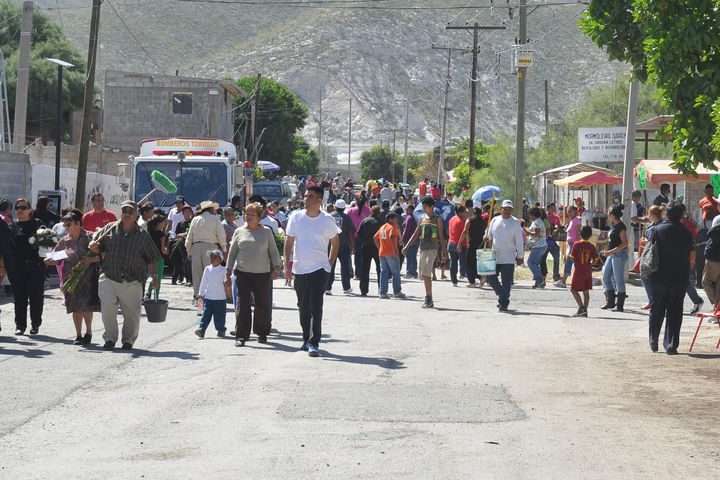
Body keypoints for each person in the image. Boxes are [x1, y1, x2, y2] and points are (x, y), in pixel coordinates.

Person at [89, 200, 161, 350]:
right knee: (108, 307)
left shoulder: (142, 235)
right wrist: (94, 248)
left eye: (130, 211)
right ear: (120, 213)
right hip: (109, 276)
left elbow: (151, 258)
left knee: (132, 314)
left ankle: (128, 340)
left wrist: (155, 278)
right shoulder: (109, 229)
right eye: (124, 211)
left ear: (136, 214)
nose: (127, 214)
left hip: (133, 280)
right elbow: (98, 248)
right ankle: (110, 339)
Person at [283, 186, 340, 357]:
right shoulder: (296, 217)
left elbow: (335, 243)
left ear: (319, 200)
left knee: (315, 306)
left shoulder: (327, 220)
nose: (305, 199)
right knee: (303, 307)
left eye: (310, 196)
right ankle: (306, 338)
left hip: (319, 269)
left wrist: (329, 264)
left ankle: (314, 342)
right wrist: (286, 265)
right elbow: (289, 242)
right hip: (300, 269)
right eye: (305, 196)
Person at [227, 203, 282, 346]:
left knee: (262, 304)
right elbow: (232, 253)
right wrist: (227, 272)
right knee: (243, 305)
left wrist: (277, 268)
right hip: (242, 273)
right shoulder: (239, 231)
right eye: (247, 214)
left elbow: (273, 252)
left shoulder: (266, 231)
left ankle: (262, 333)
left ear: (259, 217)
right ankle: (241, 336)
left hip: (262, 274)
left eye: (252, 215)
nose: (249, 217)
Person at [44, 209, 100, 344]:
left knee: (87, 306)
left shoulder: (90, 237)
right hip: (70, 277)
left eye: (69, 224)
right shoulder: (64, 241)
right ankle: (78, 335)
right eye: (65, 224)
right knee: (75, 306)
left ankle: (89, 332)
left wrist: (90, 260)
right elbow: (55, 256)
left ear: (78, 223)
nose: (66, 227)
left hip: (87, 276)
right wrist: (49, 261)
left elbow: (102, 255)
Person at [648, 200, 693, 354]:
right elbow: (692, 257)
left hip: (658, 276)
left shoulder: (657, 230)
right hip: (679, 277)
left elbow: (649, 253)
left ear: (666, 213)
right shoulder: (687, 232)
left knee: (657, 308)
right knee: (675, 310)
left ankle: (653, 341)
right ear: (681, 215)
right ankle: (671, 344)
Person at [7, 198, 46, 335]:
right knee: (19, 297)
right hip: (18, 266)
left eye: (23, 207)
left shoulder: (38, 224)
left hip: (36, 265)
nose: (20, 210)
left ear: (30, 210)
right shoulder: (12, 226)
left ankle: (35, 324)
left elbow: (47, 241)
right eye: (17, 208)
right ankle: (20, 325)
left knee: (36, 296)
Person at [402, 197, 447, 309]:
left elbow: (441, 237)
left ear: (432, 207)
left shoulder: (437, 219)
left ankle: (429, 298)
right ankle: (428, 296)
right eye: (423, 206)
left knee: (426, 273)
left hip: (432, 249)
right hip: (422, 249)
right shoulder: (422, 218)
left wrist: (444, 253)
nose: (423, 208)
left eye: (425, 206)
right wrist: (406, 246)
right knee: (423, 274)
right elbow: (416, 234)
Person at [485, 200, 525, 312]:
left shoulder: (515, 222)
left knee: (506, 283)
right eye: (505, 209)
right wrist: (486, 237)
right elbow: (489, 235)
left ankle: (504, 304)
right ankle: (502, 296)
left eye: (509, 209)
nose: (507, 211)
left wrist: (520, 256)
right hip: (495, 256)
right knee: (490, 277)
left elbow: (519, 240)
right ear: (501, 209)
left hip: (508, 257)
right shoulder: (494, 220)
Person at [185, 201, 226, 299]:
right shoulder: (215, 219)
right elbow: (221, 236)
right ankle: (209, 297)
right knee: (210, 274)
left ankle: (198, 299)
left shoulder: (195, 219)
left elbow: (189, 237)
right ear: (211, 209)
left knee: (197, 275)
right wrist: (224, 249)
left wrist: (189, 251)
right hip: (211, 248)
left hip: (196, 247)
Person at [600, 204, 629, 312]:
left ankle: (620, 305)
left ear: (612, 215)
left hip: (619, 254)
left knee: (619, 279)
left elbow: (625, 243)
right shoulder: (614, 225)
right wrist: (607, 251)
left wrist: (611, 251)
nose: (607, 214)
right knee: (606, 277)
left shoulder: (621, 226)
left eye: (608, 212)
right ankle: (610, 302)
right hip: (611, 254)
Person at [195, 249, 229, 339]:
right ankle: (201, 330)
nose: (212, 259)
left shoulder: (224, 270)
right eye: (211, 257)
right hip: (208, 298)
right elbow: (203, 282)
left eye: (215, 257)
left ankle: (221, 330)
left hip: (220, 298)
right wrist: (201, 293)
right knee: (205, 315)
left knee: (219, 317)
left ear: (220, 259)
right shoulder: (207, 269)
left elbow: (227, 282)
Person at [326, 199, 356, 295]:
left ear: (335, 207)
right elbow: (351, 233)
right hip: (344, 245)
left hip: (330, 245)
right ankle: (346, 288)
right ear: (344, 208)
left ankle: (327, 287)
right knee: (345, 267)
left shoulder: (329, 216)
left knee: (330, 266)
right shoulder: (347, 218)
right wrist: (353, 246)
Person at [568, 226, 598, 317]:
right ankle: (585, 309)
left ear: (580, 234)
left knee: (573, 290)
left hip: (579, 270)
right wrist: (590, 265)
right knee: (586, 291)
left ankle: (581, 308)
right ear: (590, 236)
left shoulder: (576, 244)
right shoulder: (591, 246)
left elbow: (571, 257)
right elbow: (596, 260)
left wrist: (577, 263)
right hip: (587, 270)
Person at [374, 212, 405, 299]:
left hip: (382, 253)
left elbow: (375, 238)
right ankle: (397, 292)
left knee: (384, 272)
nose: (396, 220)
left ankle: (383, 293)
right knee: (396, 272)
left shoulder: (382, 227)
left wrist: (379, 248)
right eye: (395, 219)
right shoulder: (392, 227)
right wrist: (395, 250)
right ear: (390, 219)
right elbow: (391, 236)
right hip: (391, 252)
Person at [639, 206, 664, 310]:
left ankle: (654, 301)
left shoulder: (661, 226)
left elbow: (657, 242)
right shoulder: (651, 226)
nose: (648, 216)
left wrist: (647, 242)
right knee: (645, 276)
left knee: (650, 277)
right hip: (649, 254)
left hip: (657, 256)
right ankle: (652, 301)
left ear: (653, 215)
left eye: (649, 214)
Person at [357, 206, 382, 296]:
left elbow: (359, 234)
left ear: (371, 211)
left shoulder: (365, 221)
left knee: (365, 268)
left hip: (366, 246)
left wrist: (363, 241)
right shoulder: (380, 222)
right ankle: (381, 288)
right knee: (379, 268)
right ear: (379, 213)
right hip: (377, 247)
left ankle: (363, 290)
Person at [460, 206, 487, 288]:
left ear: (473, 213)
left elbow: (465, 231)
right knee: (477, 263)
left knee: (469, 263)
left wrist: (459, 242)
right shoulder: (483, 222)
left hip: (471, 245)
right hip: (481, 245)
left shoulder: (469, 220)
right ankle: (480, 278)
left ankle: (473, 281)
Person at [555, 205, 581, 287]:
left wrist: (579, 244)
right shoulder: (572, 220)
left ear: (575, 212)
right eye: (568, 211)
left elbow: (579, 233)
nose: (569, 213)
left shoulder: (576, 220)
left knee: (569, 261)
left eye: (571, 211)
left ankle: (564, 280)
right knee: (576, 263)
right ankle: (579, 280)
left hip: (574, 244)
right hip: (571, 244)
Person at [347, 196, 371, 281]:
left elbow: (347, 223)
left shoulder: (351, 210)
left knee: (357, 256)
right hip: (366, 236)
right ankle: (365, 274)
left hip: (353, 236)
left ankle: (358, 274)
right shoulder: (368, 210)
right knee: (365, 256)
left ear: (356, 202)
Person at [145, 214, 169, 300]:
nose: (164, 224)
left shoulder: (148, 233)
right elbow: (163, 249)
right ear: (159, 223)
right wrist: (166, 249)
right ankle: (156, 295)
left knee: (153, 276)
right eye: (163, 222)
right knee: (157, 278)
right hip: (158, 258)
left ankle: (148, 293)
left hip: (149, 258)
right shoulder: (161, 234)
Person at [526, 207, 548, 289]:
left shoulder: (537, 222)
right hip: (540, 246)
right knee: (535, 264)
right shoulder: (537, 221)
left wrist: (528, 232)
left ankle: (540, 280)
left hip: (538, 246)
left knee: (530, 263)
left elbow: (537, 234)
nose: (529, 216)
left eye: (530, 214)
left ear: (533, 215)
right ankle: (539, 281)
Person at [171, 205, 193, 285]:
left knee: (190, 262)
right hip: (182, 245)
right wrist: (184, 234)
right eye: (185, 212)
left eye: (188, 212)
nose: (187, 214)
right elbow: (176, 235)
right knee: (185, 262)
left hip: (191, 245)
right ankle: (188, 279)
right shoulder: (180, 224)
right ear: (183, 213)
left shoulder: (193, 223)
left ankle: (191, 279)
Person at [702, 215, 720, 311]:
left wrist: (707, 255)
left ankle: (716, 306)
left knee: (706, 281)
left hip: (714, 258)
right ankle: (717, 307)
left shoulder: (717, 220)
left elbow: (711, 243)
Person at [447, 205, 468, 287]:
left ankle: (454, 281)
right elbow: (465, 233)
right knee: (465, 262)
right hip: (461, 244)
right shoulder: (462, 221)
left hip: (451, 243)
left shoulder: (452, 219)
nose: (466, 213)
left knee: (453, 262)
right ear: (460, 212)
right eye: (465, 212)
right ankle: (467, 276)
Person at [545, 203, 561, 282]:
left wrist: (557, 230)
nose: (553, 209)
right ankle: (542, 275)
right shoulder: (545, 217)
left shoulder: (556, 217)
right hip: (545, 240)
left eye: (554, 208)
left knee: (556, 257)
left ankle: (556, 275)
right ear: (548, 209)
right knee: (542, 258)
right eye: (551, 208)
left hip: (552, 240)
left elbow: (559, 226)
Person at [402, 203, 418, 278]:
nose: (406, 211)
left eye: (407, 209)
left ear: (411, 210)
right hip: (416, 239)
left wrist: (403, 238)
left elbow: (406, 229)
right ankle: (414, 272)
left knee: (409, 256)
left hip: (408, 238)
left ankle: (409, 272)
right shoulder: (416, 217)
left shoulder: (409, 217)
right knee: (414, 256)